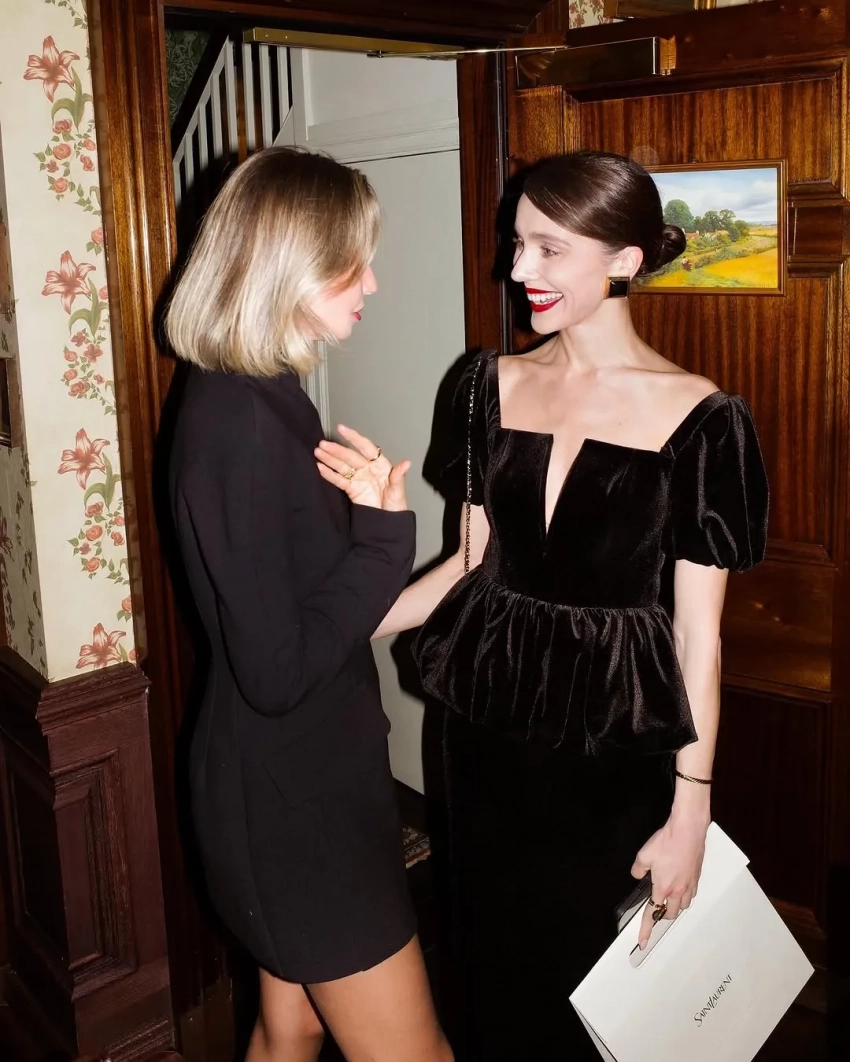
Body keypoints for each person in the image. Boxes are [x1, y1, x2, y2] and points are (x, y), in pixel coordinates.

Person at [315, 151, 769, 1060]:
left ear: (625, 261)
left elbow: (698, 640)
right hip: (484, 734)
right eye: (517, 243)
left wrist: (691, 813)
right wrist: (331, 627)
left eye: (549, 248)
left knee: (602, 983)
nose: (518, 268)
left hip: (614, 749)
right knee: (489, 959)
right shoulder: (484, 384)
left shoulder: (704, 420)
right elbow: (470, 564)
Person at [165, 146, 453, 1062]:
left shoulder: (262, 397)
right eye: (351, 261)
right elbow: (281, 671)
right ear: (287, 264)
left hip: (293, 780)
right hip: (295, 806)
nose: (372, 282)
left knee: (288, 1031)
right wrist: (384, 537)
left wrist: (460, 570)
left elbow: (325, 621)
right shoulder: (244, 425)